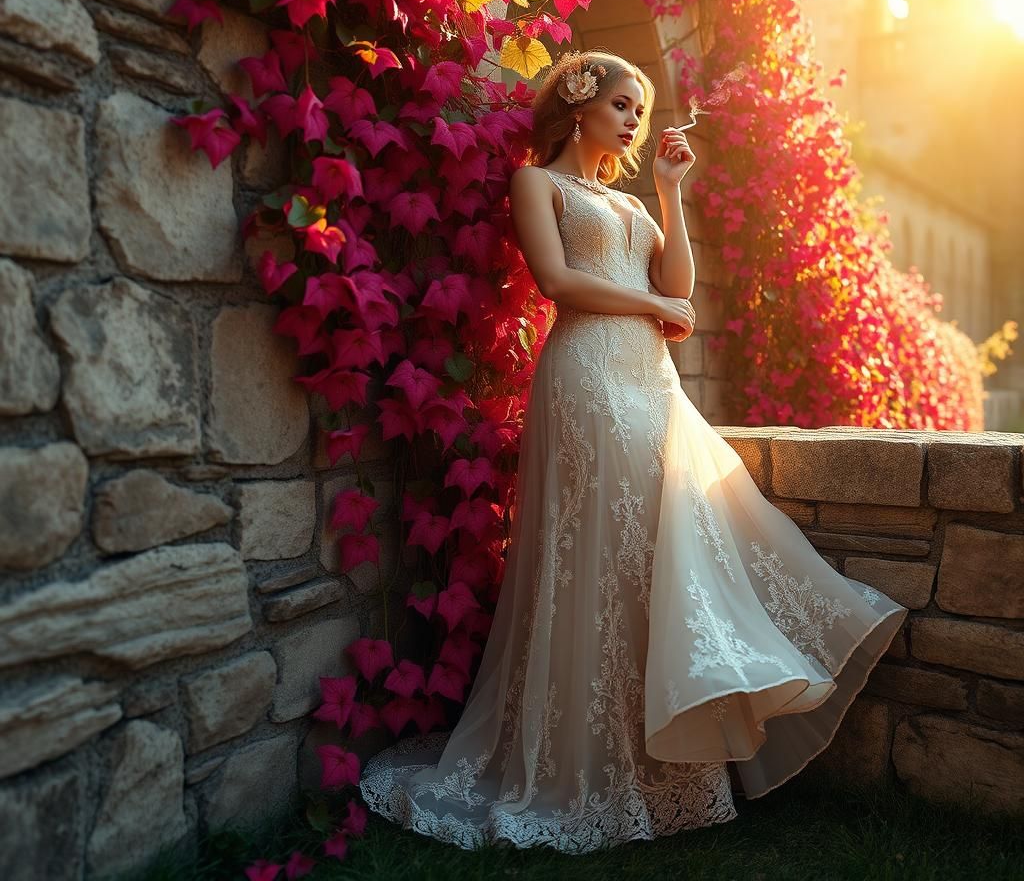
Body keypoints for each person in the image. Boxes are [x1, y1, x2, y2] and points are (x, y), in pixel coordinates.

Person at [358, 48, 908, 854]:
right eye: (621, 104)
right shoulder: (536, 184)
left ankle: (660, 766)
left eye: (638, 112)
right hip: (584, 376)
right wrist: (655, 302)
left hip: (648, 382)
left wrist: (670, 194)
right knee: (593, 555)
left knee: (654, 552)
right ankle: (573, 765)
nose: (632, 121)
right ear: (577, 105)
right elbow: (556, 282)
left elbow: (680, 282)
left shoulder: (631, 203)